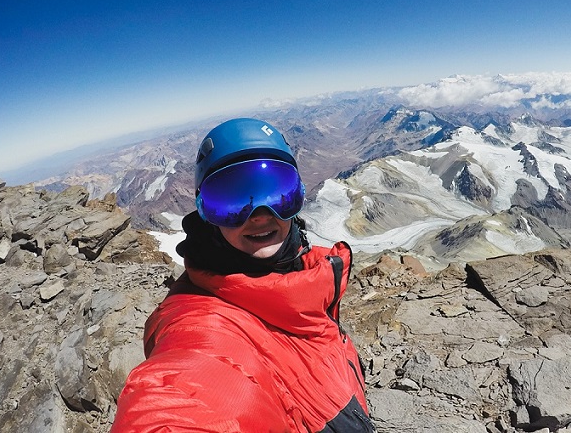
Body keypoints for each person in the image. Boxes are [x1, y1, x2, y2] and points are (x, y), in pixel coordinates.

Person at [112, 118, 374, 432]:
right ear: (205, 214)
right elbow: (187, 393)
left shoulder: (307, 280)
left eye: (279, 193)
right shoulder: (200, 321)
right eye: (232, 201)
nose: (261, 216)